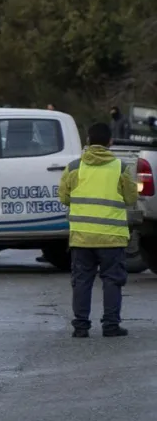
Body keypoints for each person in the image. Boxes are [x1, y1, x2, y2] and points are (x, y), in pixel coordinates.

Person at [58, 122, 138, 338]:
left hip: (82, 237)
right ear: (110, 142)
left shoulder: (74, 167)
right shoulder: (121, 168)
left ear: (88, 142)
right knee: (112, 280)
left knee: (82, 280)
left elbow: (64, 197)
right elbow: (131, 198)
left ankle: (81, 327)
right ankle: (111, 325)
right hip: (112, 237)